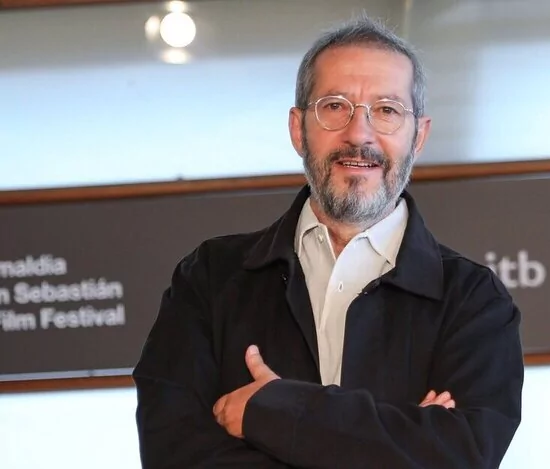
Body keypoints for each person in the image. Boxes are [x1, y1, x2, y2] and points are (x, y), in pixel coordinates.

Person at [132, 14, 524, 469]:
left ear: (419, 136)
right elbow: (173, 454)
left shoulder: (474, 302)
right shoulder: (209, 280)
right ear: (298, 129)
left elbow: (462, 458)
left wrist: (274, 412)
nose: (359, 134)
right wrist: (400, 441)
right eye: (335, 106)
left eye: (387, 110)